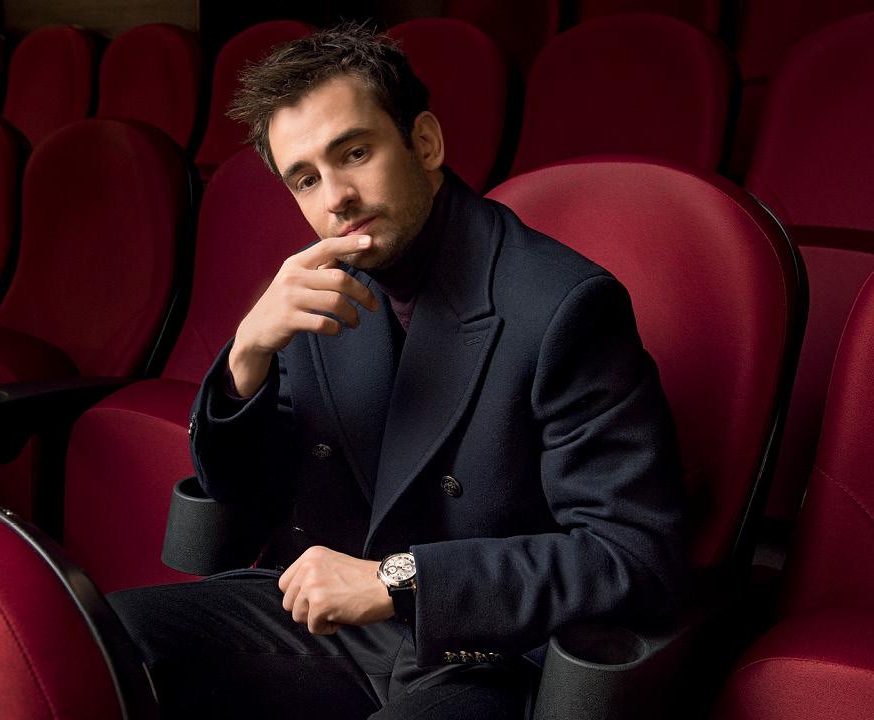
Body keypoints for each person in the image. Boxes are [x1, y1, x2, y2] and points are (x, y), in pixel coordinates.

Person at [108, 22, 688, 719]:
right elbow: (244, 494)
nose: (336, 198)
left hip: (483, 649)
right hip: (333, 627)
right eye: (306, 179)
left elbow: (632, 556)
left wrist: (397, 579)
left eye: (354, 153)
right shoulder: (315, 292)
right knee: (91, 639)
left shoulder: (565, 306)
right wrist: (247, 357)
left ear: (425, 143)